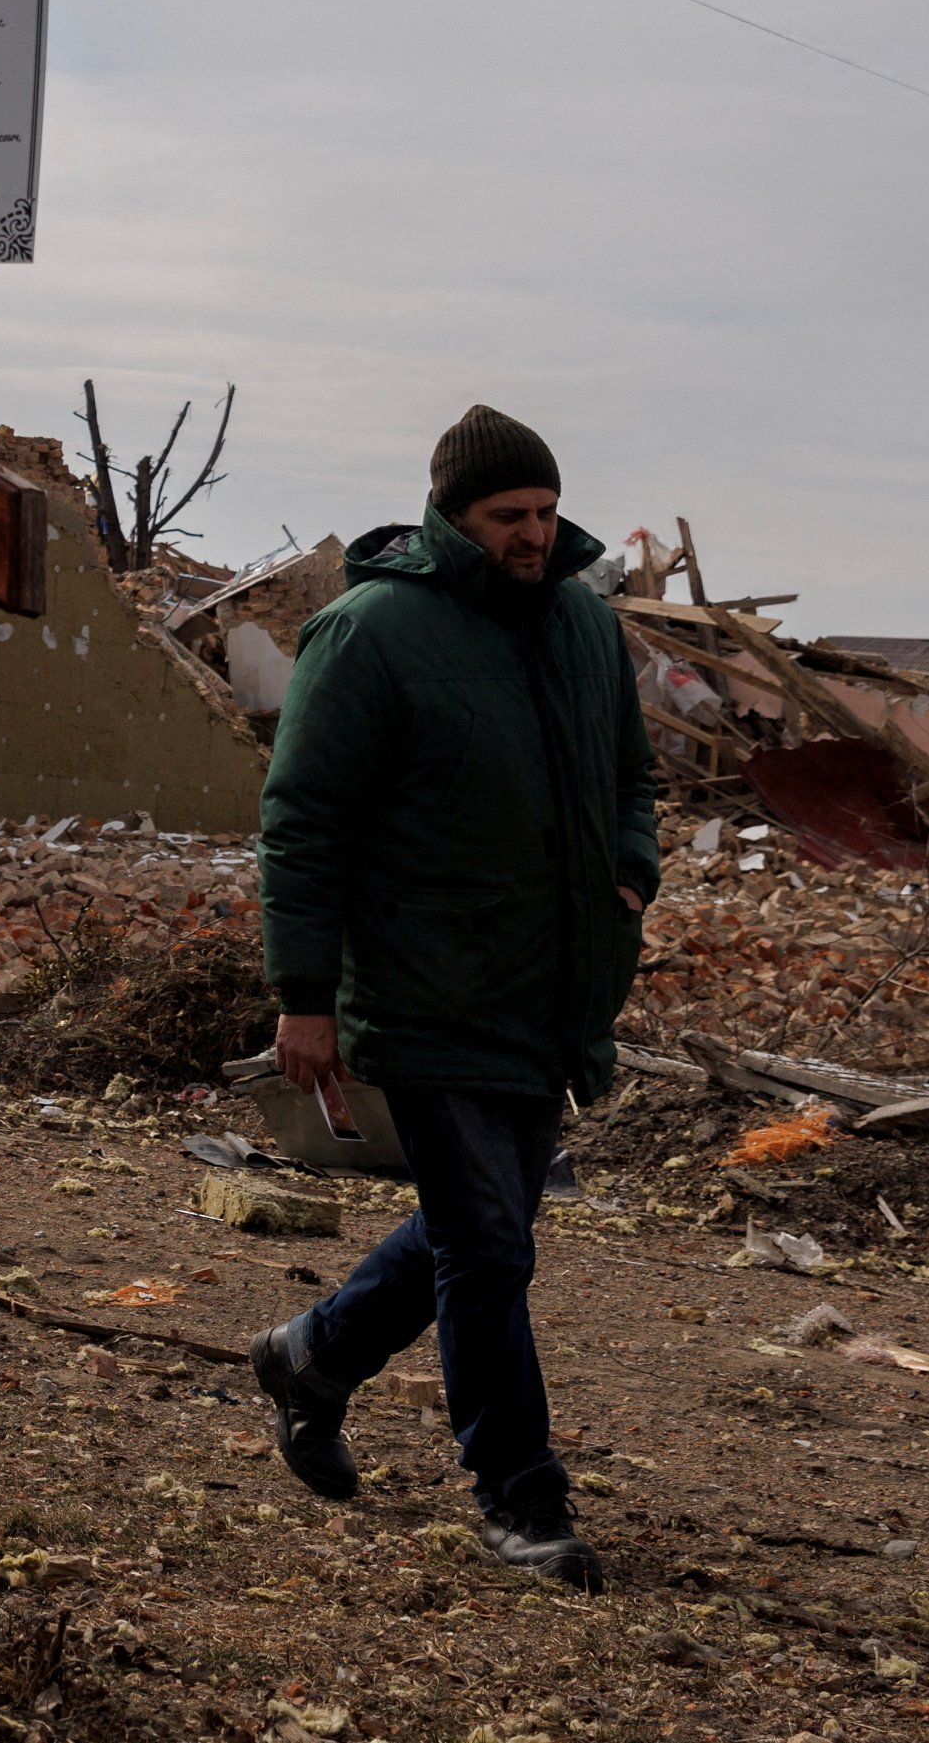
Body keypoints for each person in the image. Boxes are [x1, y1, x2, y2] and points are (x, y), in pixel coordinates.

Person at [246, 403, 655, 1590]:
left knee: (485, 1227)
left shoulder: (584, 625)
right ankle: (521, 1495)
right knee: (487, 1246)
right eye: (505, 516)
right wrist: (304, 995)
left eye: (543, 511)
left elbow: (632, 776)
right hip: (424, 986)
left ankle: (312, 1355)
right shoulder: (371, 632)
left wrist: (632, 869)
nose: (532, 534)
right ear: (452, 517)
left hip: (549, 993)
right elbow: (302, 823)